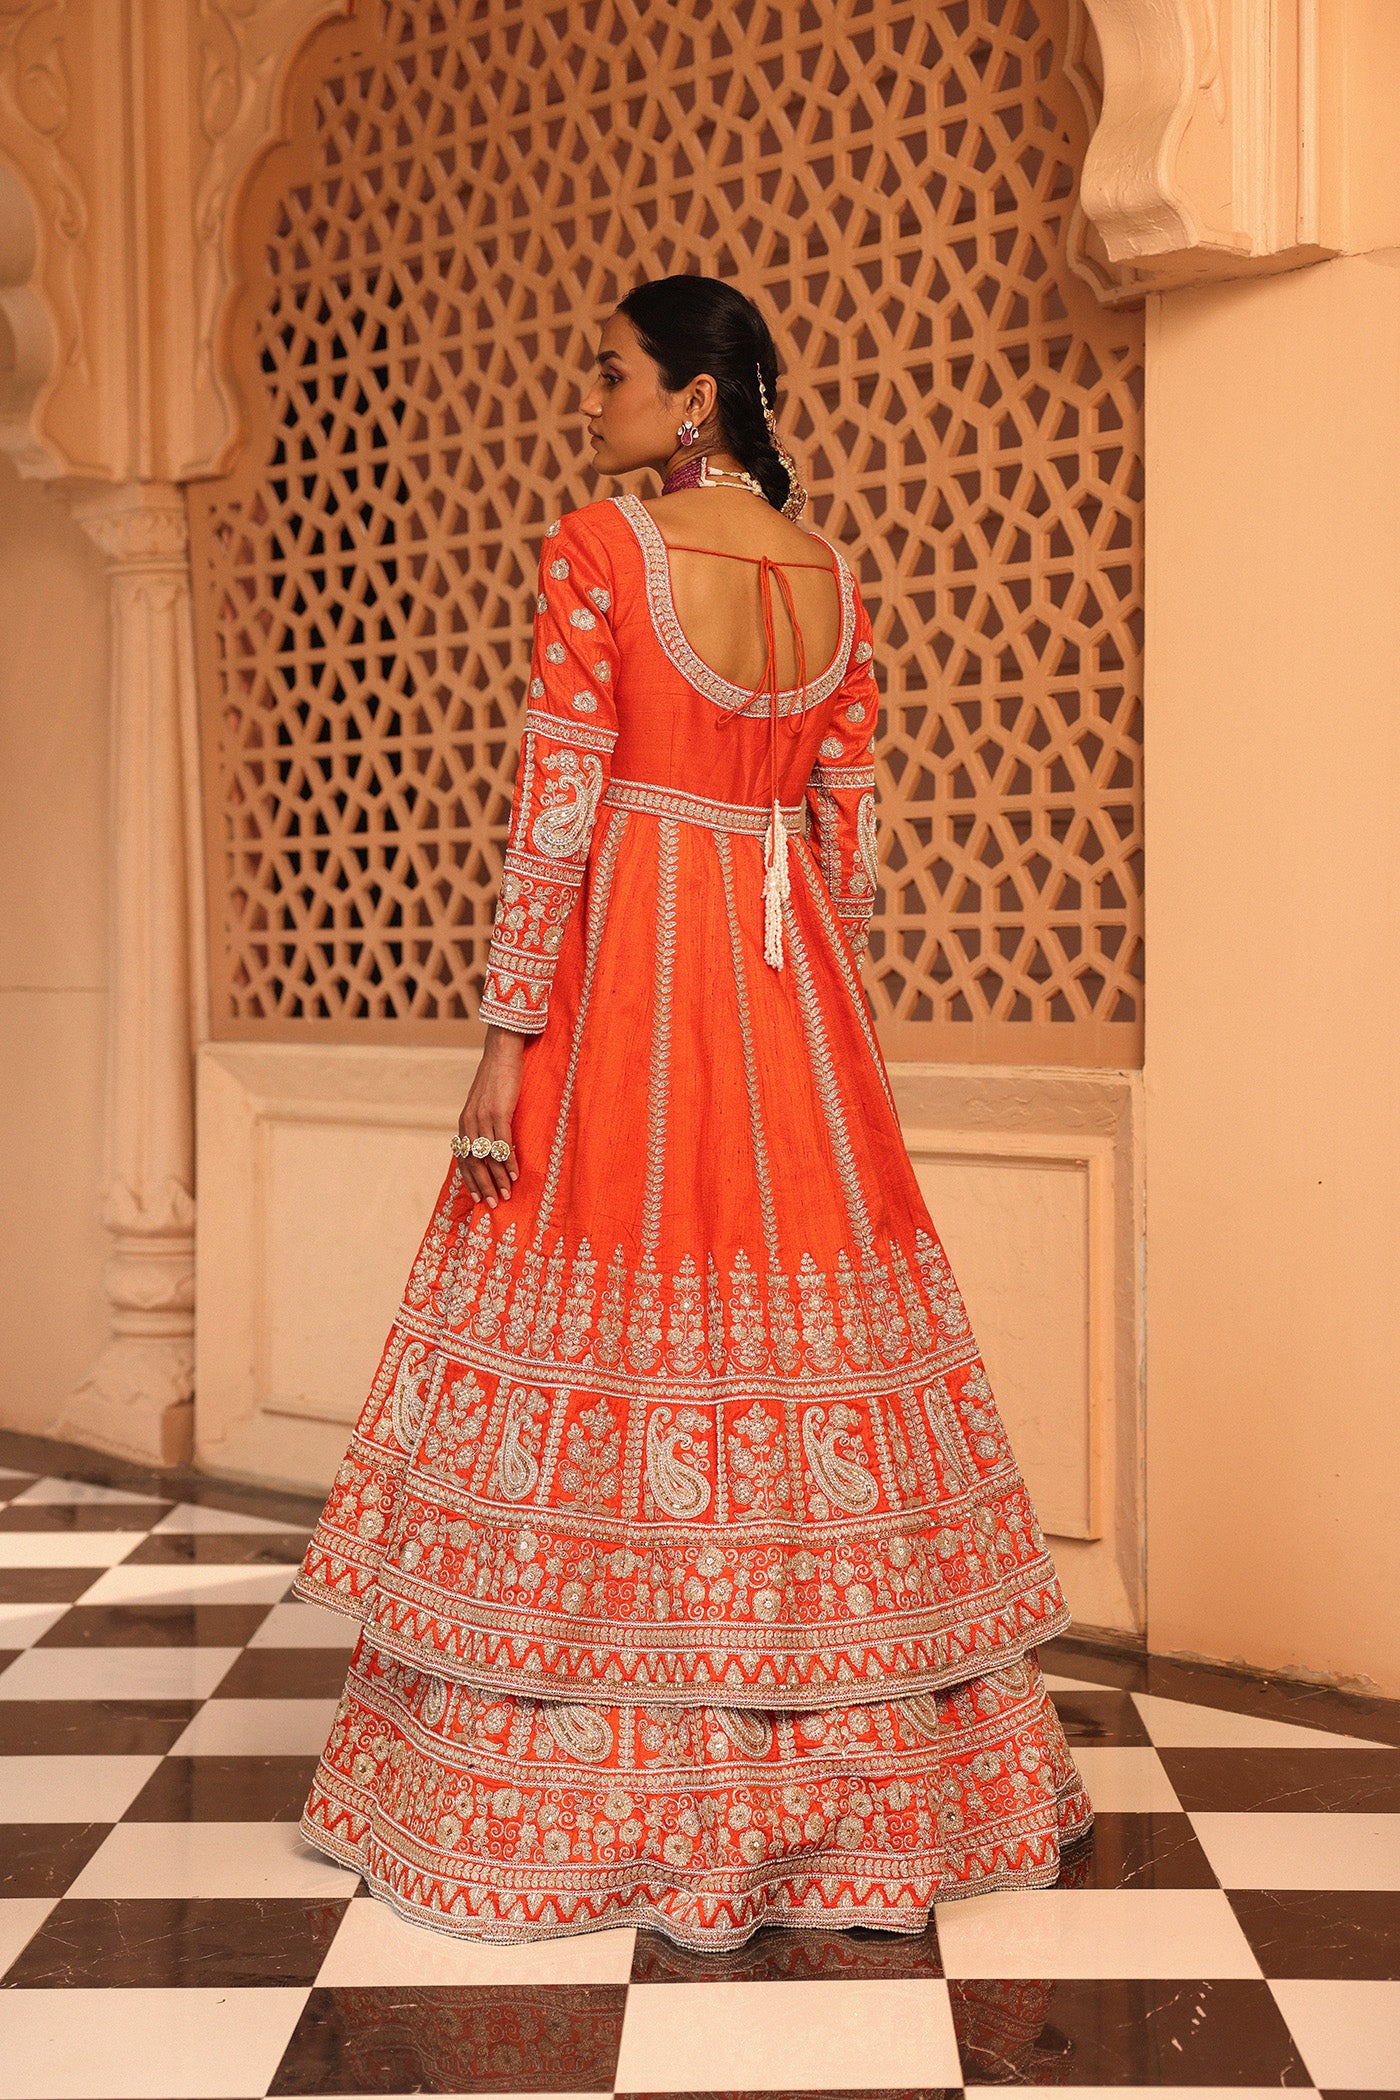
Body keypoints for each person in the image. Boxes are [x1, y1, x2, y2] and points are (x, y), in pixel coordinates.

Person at [295, 274, 1092, 1948]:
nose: (597, 402)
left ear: (694, 402)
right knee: (793, 1342)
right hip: (789, 973)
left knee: (617, 1311)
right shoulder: (831, 575)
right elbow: (848, 828)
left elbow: (560, 792)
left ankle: (580, 1751)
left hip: (636, 969)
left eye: (615, 375)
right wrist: (824, 1014)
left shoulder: (601, 545)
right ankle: (860, 1738)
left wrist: (511, 1025)